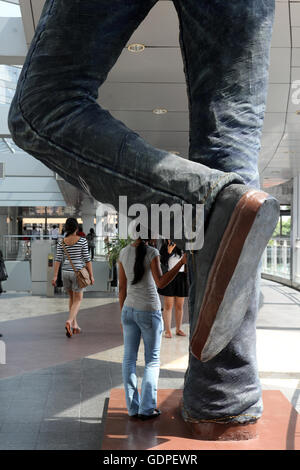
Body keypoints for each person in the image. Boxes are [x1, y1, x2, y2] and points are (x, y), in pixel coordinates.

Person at [8, 1, 279, 435]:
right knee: (229, 137)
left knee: (41, 108)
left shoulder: (123, 255)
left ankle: (210, 205)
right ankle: (224, 394)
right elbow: (159, 274)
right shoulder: (145, 254)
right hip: (150, 308)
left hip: (137, 308)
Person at [118, 232, 187, 420]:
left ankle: (133, 408)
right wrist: (181, 263)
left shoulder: (123, 252)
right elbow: (161, 282)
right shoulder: (152, 252)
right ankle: (147, 409)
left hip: (129, 310)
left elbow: (122, 288)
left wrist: (123, 314)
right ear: (150, 234)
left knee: (129, 360)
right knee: (152, 360)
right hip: (149, 310)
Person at [52, 217, 94, 337]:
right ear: (76, 228)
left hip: (65, 272)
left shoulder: (62, 242)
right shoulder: (82, 241)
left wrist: (55, 276)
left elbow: (58, 259)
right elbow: (87, 259)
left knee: (72, 299)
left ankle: (75, 325)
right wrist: (91, 275)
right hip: (78, 273)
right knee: (78, 299)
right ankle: (69, 321)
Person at [158, 240, 188, 338]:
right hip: (169, 276)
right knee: (168, 305)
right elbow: (162, 262)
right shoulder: (164, 246)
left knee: (179, 305)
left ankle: (178, 329)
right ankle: (167, 331)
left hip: (181, 277)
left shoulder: (182, 246)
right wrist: (168, 252)